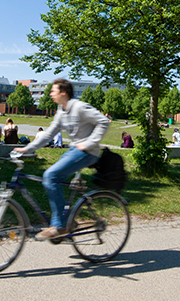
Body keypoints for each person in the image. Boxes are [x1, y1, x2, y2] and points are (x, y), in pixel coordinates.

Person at [11, 79, 110, 241]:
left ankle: (59, 225)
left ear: (63, 92)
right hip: (75, 150)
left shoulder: (78, 107)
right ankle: (68, 220)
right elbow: (49, 134)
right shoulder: (61, 111)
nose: (50, 94)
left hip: (87, 151)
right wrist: (27, 149)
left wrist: (89, 143)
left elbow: (104, 121)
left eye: (53, 91)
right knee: (52, 178)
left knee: (51, 176)